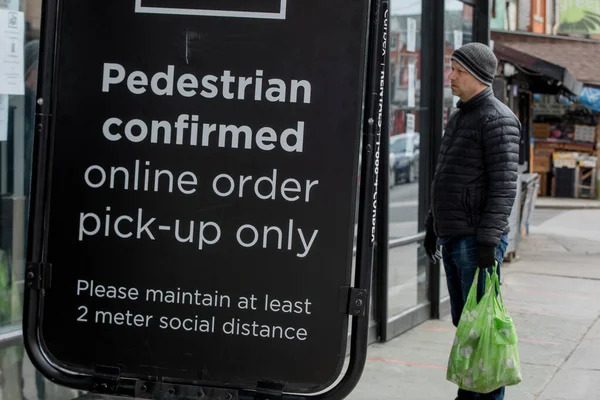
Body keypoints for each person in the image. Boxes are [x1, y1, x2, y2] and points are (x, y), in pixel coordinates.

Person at [424, 42, 521, 400]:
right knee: (468, 329)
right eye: (451, 69)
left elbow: (504, 187)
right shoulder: (462, 114)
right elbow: (446, 175)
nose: (450, 76)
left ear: (478, 76)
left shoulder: (498, 119)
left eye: (457, 71)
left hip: (475, 240)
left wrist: (488, 240)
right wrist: (433, 224)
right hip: (454, 235)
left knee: (483, 332)